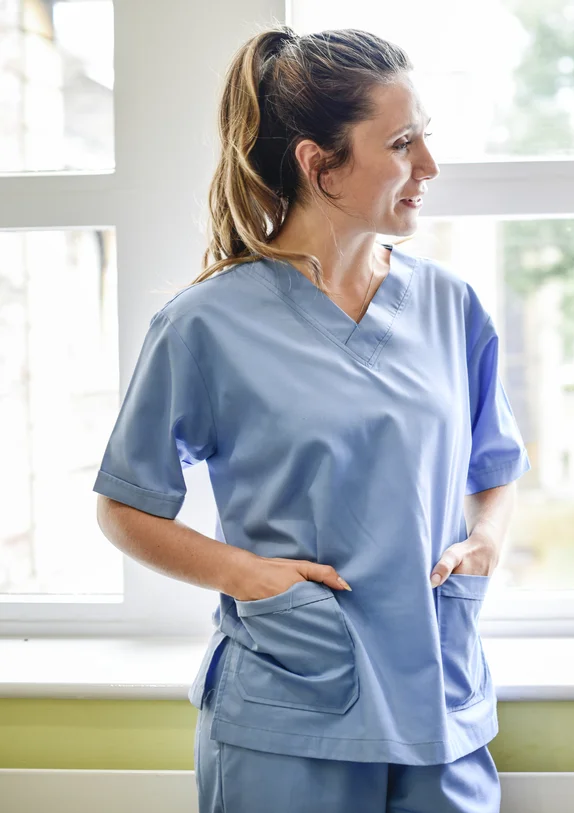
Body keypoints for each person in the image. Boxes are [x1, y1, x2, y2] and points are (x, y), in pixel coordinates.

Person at [93, 27, 528, 813]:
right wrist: (246, 576)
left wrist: (486, 543)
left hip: (442, 704)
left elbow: (493, 469)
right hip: (290, 712)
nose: (428, 165)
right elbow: (125, 506)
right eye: (402, 143)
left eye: (425, 137)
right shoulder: (206, 324)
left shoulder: (449, 306)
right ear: (318, 163)